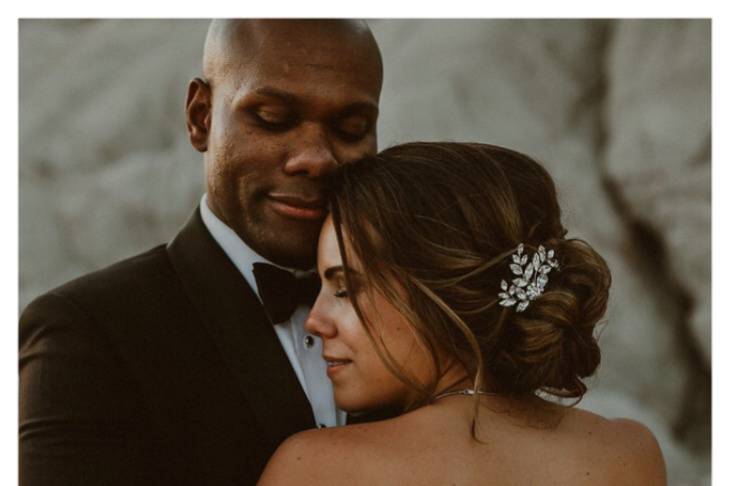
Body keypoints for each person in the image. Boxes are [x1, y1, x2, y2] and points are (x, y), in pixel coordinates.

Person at [19, 19, 383, 486]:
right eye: (273, 117)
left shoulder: (421, 317)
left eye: (351, 128)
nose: (316, 157)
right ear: (201, 117)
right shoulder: (85, 332)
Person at [258, 142, 667, 485]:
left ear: (440, 287)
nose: (315, 320)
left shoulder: (316, 470)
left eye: (345, 288)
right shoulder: (630, 456)